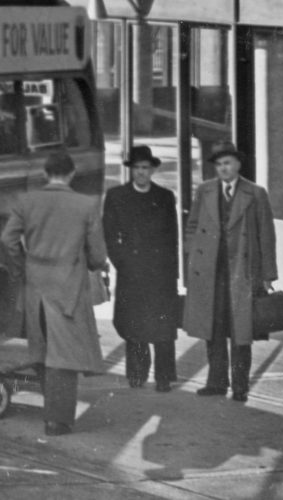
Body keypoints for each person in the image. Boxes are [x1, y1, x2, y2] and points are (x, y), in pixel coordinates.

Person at [1, 148, 108, 436]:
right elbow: (98, 256)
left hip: (35, 287)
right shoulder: (86, 205)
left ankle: (53, 409)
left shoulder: (28, 200)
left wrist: (24, 267)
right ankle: (57, 420)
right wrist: (93, 262)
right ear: (71, 174)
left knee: (41, 351)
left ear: (44, 174)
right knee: (65, 355)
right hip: (68, 290)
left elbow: (7, 239)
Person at [185, 141, 277, 403]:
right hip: (210, 271)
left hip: (241, 272)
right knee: (212, 328)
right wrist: (193, 261)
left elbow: (266, 236)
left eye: (227, 163)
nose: (222, 169)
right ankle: (216, 382)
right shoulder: (204, 191)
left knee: (240, 332)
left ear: (238, 165)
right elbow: (192, 226)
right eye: (218, 164)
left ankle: (240, 386)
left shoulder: (255, 193)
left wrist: (268, 274)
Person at [102, 145, 180, 392]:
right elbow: (110, 235)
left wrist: (173, 272)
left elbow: (172, 237)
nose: (141, 173)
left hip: (160, 272)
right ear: (131, 170)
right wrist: (122, 262)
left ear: (153, 169)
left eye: (145, 168)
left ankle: (164, 377)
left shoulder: (165, 197)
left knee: (163, 326)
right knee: (134, 324)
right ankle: (137, 374)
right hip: (132, 271)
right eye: (136, 168)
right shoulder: (117, 196)